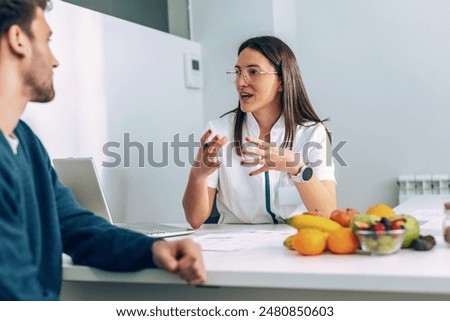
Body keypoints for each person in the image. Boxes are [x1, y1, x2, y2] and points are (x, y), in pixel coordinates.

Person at [0, 0, 206, 300]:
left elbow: (77, 227)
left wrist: (153, 249)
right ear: (18, 39)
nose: (55, 60)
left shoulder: (25, 141)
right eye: (47, 40)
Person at [183, 36, 336, 228]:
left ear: (282, 80)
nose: (240, 83)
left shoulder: (313, 133)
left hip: (297, 241)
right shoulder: (219, 132)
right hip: (235, 243)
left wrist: (297, 167)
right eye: (238, 72)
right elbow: (195, 220)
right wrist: (197, 175)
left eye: (253, 72)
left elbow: (328, 213)